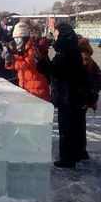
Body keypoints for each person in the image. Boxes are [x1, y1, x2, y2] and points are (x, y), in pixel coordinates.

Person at [37, 22, 89, 168]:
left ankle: (68, 158)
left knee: (67, 128)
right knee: (75, 126)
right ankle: (78, 153)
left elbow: (61, 72)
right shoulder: (70, 50)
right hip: (71, 93)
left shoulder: (68, 52)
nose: (54, 36)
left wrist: (43, 65)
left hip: (68, 94)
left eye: (56, 33)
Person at [5, 20, 50, 101]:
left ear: (24, 38)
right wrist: (8, 60)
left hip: (36, 87)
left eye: (18, 38)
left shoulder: (31, 48)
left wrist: (14, 60)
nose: (16, 40)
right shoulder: (20, 49)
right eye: (15, 38)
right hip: (25, 85)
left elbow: (27, 64)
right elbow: (16, 65)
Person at [77, 37, 101, 160]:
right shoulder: (89, 57)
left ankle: (81, 150)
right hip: (88, 94)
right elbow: (100, 78)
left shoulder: (82, 57)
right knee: (80, 123)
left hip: (82, 95)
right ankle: (82, 150)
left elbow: (85, 78)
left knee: (78, 124)